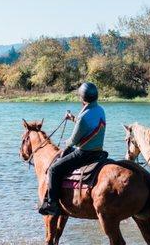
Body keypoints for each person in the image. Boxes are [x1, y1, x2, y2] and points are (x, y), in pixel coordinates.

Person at [38, 82, 106, 216]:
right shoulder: (100, 110)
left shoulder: (84, 116)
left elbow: (74, 140)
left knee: (54, 169)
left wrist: (66, 143)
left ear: (82, 97)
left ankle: (52, 204)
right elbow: (88, 126)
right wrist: (72, 118)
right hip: (99, 152)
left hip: (84, 154)